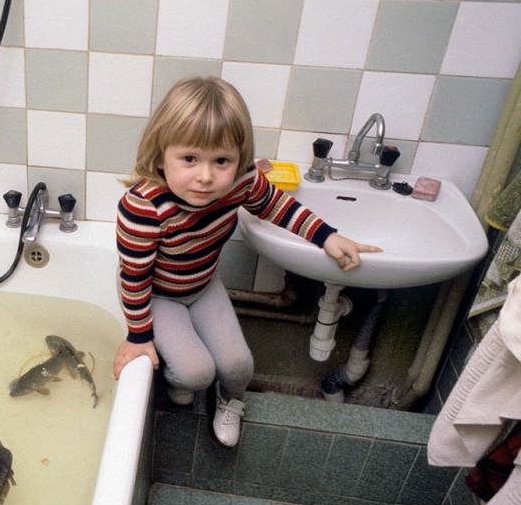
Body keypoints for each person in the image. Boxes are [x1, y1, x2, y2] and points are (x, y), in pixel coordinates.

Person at [112, 77, 381, 447]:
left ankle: (230, 400)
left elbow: (278, 206)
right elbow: (134, 278)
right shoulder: (144, 208)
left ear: (238, 159)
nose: (206, 177)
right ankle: (180, 383)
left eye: (221, 160)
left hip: (203, 285)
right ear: (161, 155)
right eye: (189, 159)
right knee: (195, 373)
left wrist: (327, 236)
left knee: (239, 366)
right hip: (158, 293)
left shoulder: (239, 182)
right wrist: (137, 337)